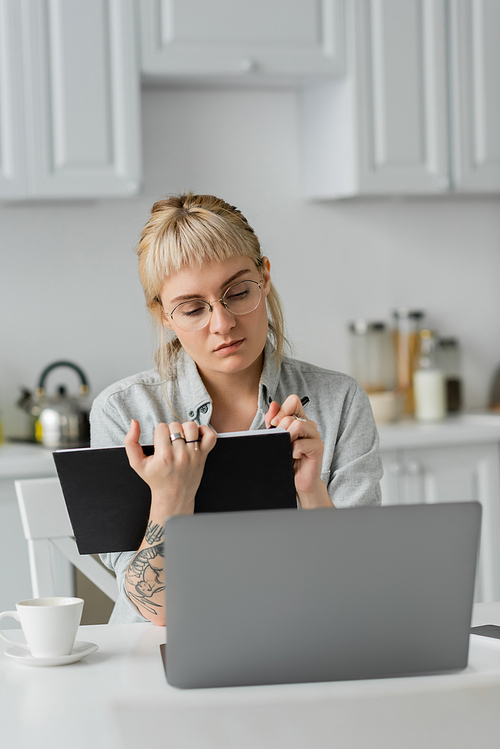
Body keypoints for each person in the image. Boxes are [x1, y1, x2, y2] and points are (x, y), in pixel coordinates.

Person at [90, 193, 383, 625]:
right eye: (192, 309)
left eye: (238, 292)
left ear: (264, 278)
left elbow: (354, 586)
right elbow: (160, 614)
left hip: (302, 640)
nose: (222, 323)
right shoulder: (124, 411)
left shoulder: (339, 400)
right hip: (160, 660)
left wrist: (311, 491)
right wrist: (172, 495)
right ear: (163, 315)